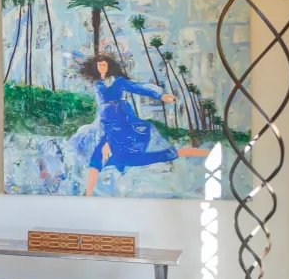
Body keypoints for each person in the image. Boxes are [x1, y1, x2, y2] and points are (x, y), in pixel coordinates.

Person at [68, 53, 208, 195]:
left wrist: (161, 95)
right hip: (104, 124)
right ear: (96, 67)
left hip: (120, 122)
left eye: (105, 64)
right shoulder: (98, 84)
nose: (102, 67)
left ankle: (206, 152)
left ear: (109, 66)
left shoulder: (118, 81)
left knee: (158, 154)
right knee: (96, 157)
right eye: (100, 65)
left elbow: (138, 87)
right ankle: (88, 194)